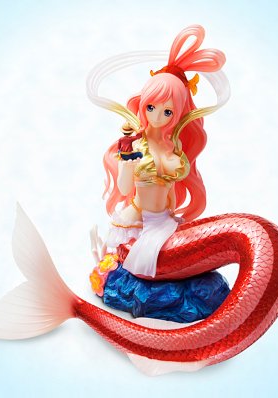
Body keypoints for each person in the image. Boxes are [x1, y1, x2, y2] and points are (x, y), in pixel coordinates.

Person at [88, 25, 231, 322]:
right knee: (141, 264)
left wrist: (172, 217)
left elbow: (171, 192)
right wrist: (126, 162)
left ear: (178, 114)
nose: (157, 116)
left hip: (166, 221)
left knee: (180, 258)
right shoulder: (136, 145)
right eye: (151, 107)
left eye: (167, 112)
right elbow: (125, 187)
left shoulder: (174, 148)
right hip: (140, 221)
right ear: (144, 105)